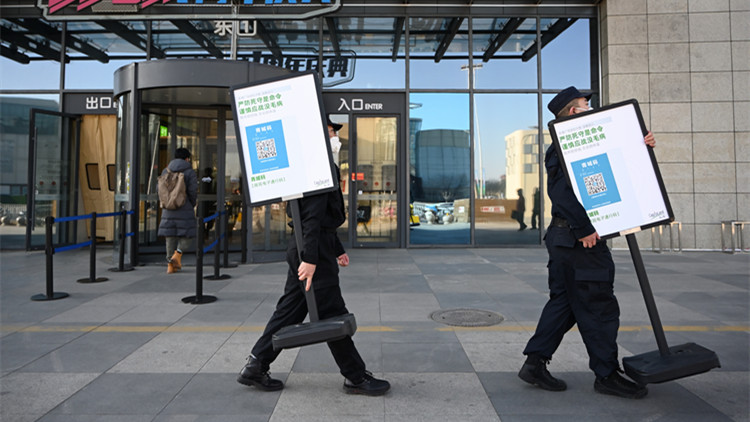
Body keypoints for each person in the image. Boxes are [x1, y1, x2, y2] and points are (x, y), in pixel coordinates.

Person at [237, 116, 390, 396]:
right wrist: (311, 258)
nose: (336, 138)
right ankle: (355, 377)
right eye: (332, 132)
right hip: (312, 250)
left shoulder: (311, 164)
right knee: (331, 311)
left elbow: (320, 217)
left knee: (289, 310)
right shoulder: (317, 165)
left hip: (311, 246)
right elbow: (311, 216)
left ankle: (256, 365)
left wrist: (336, 249)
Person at [518, 86, 655, 399]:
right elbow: (562, 193)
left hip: (570, 238)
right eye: (585, 103)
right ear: (571, 111)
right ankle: (606, 375)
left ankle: (535, 363)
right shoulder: (563, 146)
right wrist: (583, 228)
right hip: (579, 240)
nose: (590, 106)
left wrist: (641, 145)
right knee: (598, 306)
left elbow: (620, 170)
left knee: (565, 304)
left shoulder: (585, 143)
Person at [157, 147, 198, 274]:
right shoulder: (189, 171)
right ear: (187, 158)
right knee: (189, 234)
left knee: (170, 236)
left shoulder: (166, 170)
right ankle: (177, 255)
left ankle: (170, 265)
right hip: (184, 207)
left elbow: (159, 188)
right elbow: (192, 191)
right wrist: (190, 204)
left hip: (168, 209)